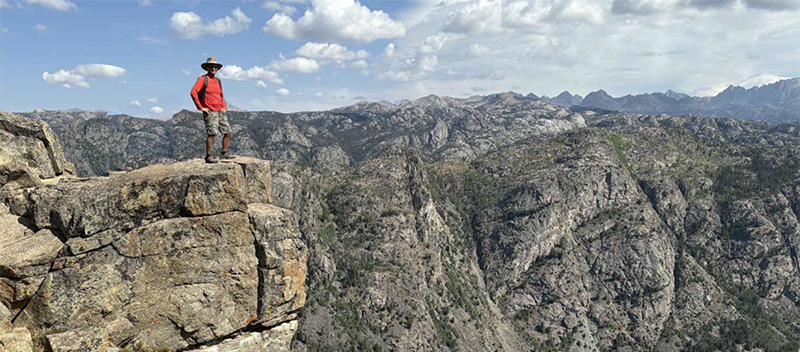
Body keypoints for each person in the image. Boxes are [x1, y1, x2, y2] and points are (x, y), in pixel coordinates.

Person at [190, 57, 234, 163]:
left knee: (228, 132)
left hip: (220, 110)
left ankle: (223, 153)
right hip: (210, 111)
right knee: (211, 134)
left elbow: (221, 95)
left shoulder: (218, 81)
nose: (214, 69)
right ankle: (208, 156)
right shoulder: (202, 79)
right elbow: (193, 92)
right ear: (207, 68)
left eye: (215, 67)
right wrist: (201, 107)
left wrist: (224, 106)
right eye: (211, 67)